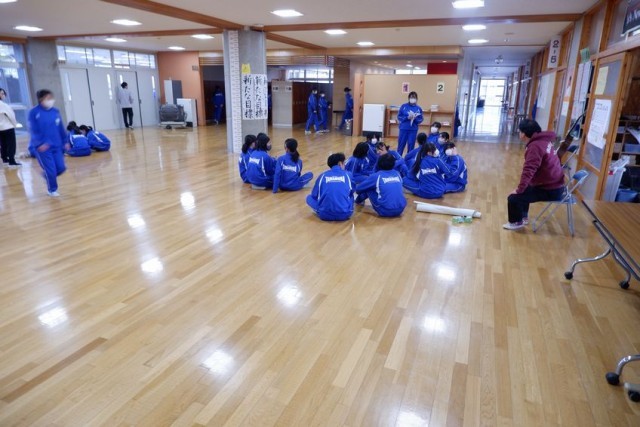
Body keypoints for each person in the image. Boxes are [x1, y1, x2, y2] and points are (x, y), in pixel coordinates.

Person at [504, 119, 565, 231]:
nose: (519, 133)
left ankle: (516, 222)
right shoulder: (544, 141)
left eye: (519, 131)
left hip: (551, 190)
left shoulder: (535, 146)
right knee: (527, 186)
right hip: (556, 185)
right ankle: (523, 217)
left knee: (513, 198)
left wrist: (519, 190)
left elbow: (529, 170)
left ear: (523, 134)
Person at [29, 89, 69, 197]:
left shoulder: (55, 111)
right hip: (43, 148)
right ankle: (52, 190)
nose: (51, 100)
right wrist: (39, 143)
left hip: (57, 145)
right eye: (48, 98)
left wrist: (65, 141)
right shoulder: (34, 112)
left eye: (51, 98)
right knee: (51, 170)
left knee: (61, 168)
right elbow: (33, 130)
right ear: (41, 99)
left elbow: (61, 128)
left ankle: (47, 176)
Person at [306, 152, 354, 221]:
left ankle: (325, 208)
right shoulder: (348, 175)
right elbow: (352, 191)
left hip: (325, 215)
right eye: (344, 163)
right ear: (340, 163)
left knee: (308, 197)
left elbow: (314, 195)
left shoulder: (322, 175)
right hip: (345, 214)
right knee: (351, 196)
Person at [355, 154, 407, 218]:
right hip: (401, 209)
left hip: (385, 210)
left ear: (379, 164)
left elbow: (358, 189)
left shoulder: (376, 176)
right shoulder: (397, 174)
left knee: (368, 188)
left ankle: (357, 202)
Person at [396, 91, 423, 156]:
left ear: (416, 99)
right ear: (409, 98)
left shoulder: (418, 108)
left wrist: (415, 118)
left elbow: (421, 119)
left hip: (413, 129)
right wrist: (406, 117)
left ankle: (409, 159)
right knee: (401, 144)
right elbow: (399, 117)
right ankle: (398, 158)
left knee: (411, 145)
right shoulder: (403, 106)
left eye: (414, 97)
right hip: (403, 128)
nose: (412, 98)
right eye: (411, 97)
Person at [0, 87, 21, 167]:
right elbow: (11, 115)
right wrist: (15, 124)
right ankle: (12, 161)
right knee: (11, 144)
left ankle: (5, 159)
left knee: (3, 144)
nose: (3, 95)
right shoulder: (3, 105)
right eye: (2, 93)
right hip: (8, 127)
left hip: (0, 128)